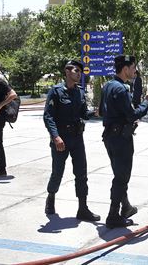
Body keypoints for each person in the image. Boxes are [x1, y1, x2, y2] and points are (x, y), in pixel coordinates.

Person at [43, 60, 99, 222]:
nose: (79, 73)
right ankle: (51, 196)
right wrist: (55, 137)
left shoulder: (79, 92)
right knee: (57, 172)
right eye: (76, 70)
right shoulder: (56, 91)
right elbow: (48, 116)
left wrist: (94, 113)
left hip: (77, 138)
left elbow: (83, 113)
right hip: (61, 139)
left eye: (80, 71)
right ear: (67, 72)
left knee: (81, 173)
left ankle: (83, 208)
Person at [99, 55, 148, 228]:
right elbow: (132, 114)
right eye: (133, 67)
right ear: (125, 69)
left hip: (110, 136)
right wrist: (146, 103)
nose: (135, 70)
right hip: (121, 138)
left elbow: (100, 111)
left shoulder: (107, 85)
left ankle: (126, 207)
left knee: (119, 174)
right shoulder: (121, 89)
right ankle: (113, 214)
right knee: (121, 177)